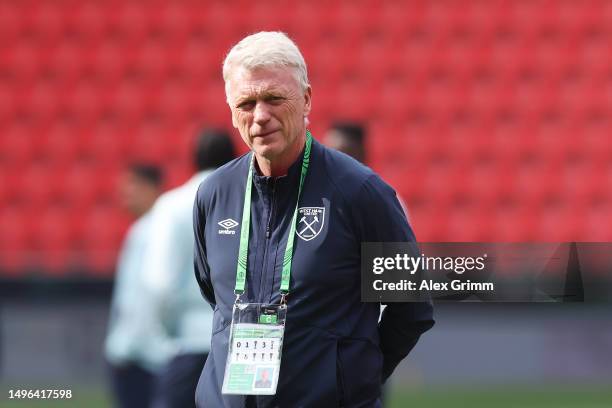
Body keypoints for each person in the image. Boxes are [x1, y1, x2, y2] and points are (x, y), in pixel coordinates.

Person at [193, 32, 434, 407]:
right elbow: (216, 296)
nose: (259, 115)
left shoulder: (360, 192)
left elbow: (411, 306)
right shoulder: (214, 194)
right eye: (246, 102)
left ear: (306, 99)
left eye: (274, 98)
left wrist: (349, 379)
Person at [143, 130, 236, 408]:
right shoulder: (249, 201)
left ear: (193, 160)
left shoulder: (171, 206)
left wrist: (167, 334)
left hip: (188, 341)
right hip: (238, 343)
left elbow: (159, 283)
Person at [105, 164, 169, 408]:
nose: (125, 195)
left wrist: (128, 346)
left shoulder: (155, 230)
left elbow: (146, 295)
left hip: (142, 356)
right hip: (138, 351)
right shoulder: (143, 228)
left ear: (150, 188)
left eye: (132, 187)